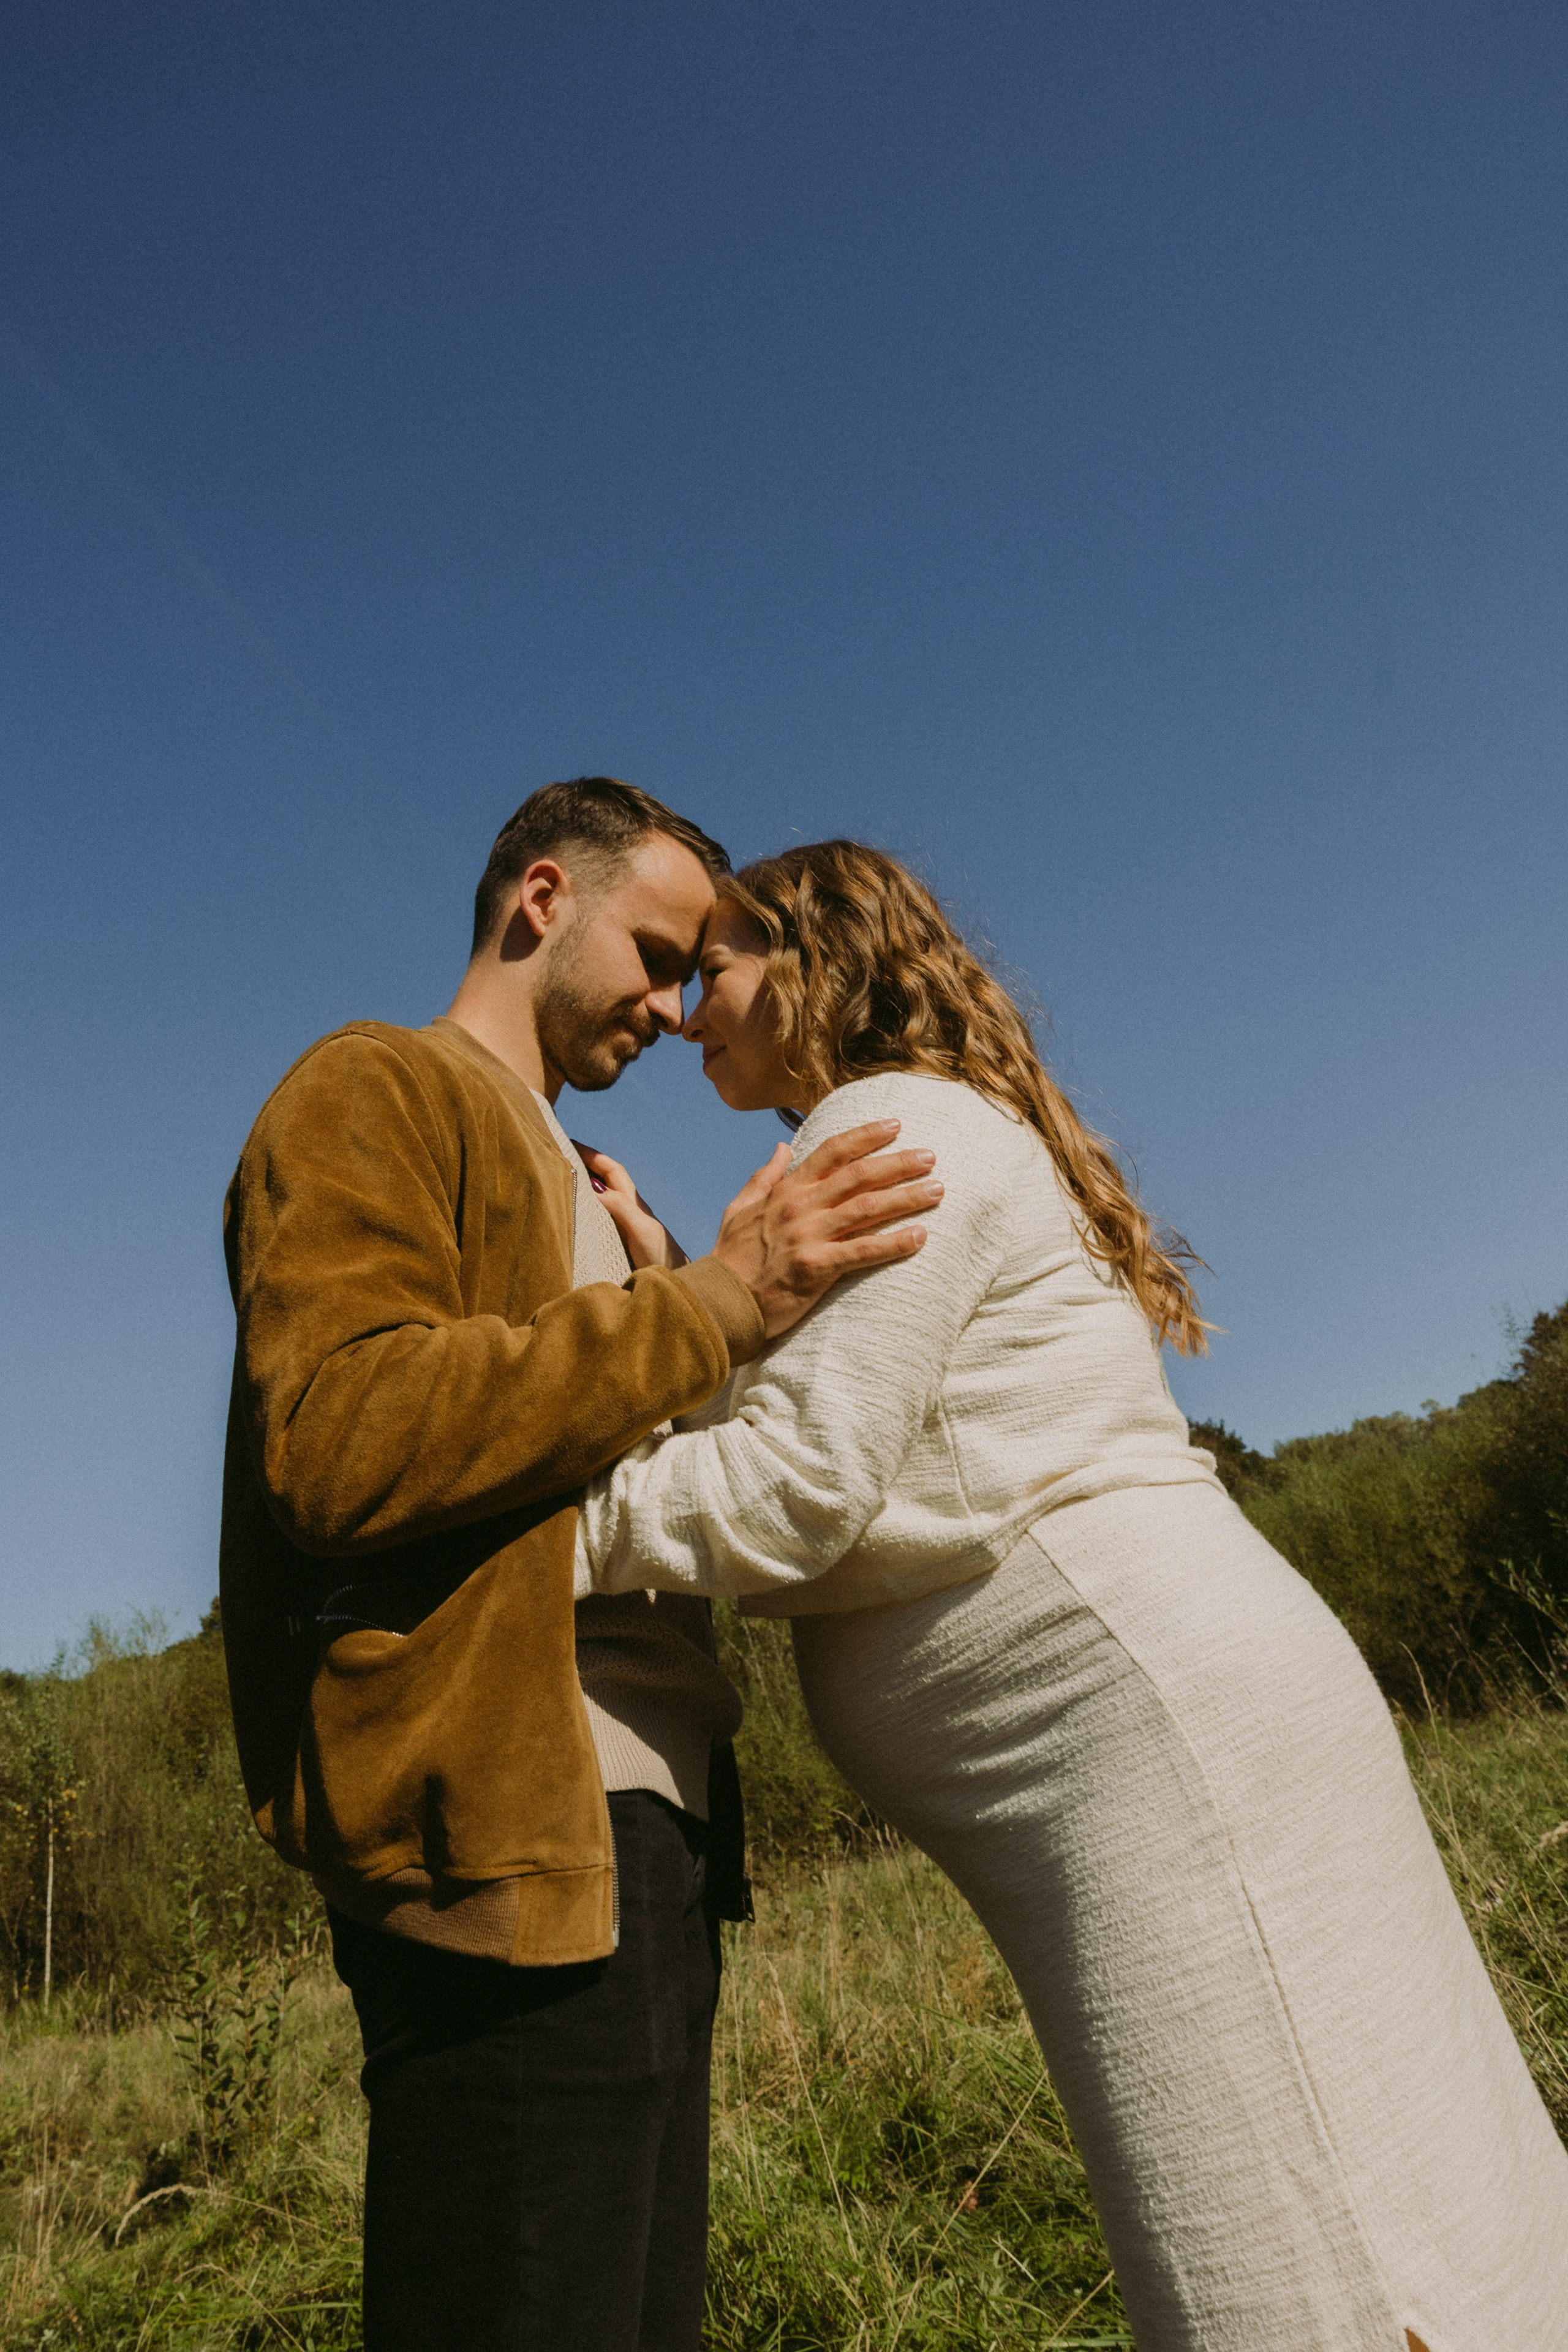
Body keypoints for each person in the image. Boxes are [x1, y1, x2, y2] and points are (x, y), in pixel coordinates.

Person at [575, 837, 1568, 2352]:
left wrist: (543, 1534)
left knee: (1307, 2260)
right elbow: (866, 1459)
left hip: (1171, 1755)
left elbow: (798, 1493)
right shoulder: (888, 1138)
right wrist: (684, 1314)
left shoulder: (889, 1122)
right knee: (1376, 2194)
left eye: (708, 969)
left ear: (811, 955)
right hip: (1164, 1750)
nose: (684, 1013)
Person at [217, 782, 944, 2352]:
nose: (678, 1010)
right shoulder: (374, 1089)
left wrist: (684, 1279)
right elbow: (337, 1438)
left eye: (697, 975)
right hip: (501, 1846)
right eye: (658, 955)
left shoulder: (595, 1186)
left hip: (653, 1839)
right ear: (540, 899)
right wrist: (718, 1302)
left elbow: (609, 1428)